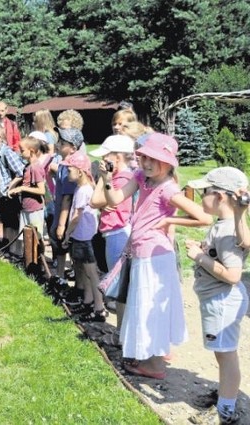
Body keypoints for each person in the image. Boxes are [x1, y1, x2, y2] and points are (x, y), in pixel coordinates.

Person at [101, 132, 211, 380]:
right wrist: (107, 179)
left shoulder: (167, 188)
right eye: (144, 157)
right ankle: (155, 354)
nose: (147, 163)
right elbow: (116, 198)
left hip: (154, 256)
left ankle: (154, 366)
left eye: (154, 159)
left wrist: (168, 219)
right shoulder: (142, 177)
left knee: (149, 307)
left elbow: (204, 218)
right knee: (146, 306)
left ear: (168, 163)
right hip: (142, 251)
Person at [184, 167, 250, 424]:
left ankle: (225, 410)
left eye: (204, 191)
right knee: (222, 353)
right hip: (217, 299)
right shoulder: (224, 226)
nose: (201, 196)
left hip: (222, 300)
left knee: (226, 355)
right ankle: (225, 395)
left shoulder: (227, 231)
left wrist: (200, 257)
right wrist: (204, 251)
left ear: (221, 197)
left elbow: (233, 275)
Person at [90, 135, 135, 334]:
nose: (102, 160)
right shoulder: (119, 177)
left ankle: (122, 336)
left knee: (120, 288)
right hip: (113, 234)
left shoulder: (122, 178)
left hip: (118, 234)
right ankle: (122, 334)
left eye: (106, 156)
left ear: (117, 157)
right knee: (120, 288)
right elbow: (98, 201)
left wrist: (102, 178)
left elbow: (94, 200)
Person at [59, 151, 105, 322]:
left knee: (92, 273)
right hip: (82, 236)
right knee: (86, 272)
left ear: (80, 171)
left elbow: (76, 217)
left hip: (85, 237)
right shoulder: (82, 188)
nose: (67, 172)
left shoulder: (83, 190)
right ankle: (88, 301)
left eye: (69, 169)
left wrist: (67, 233)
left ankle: (99, 307)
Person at [48, 128, 83, 295]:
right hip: (59, 210)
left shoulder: (71, 167)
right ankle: (60, 276)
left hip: (66, 215)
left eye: (63, 143)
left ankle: (78, 285)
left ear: (73, 148)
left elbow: (68, 198)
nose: (58, 145)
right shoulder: (62, 164)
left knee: (66, 245)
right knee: (59, 245)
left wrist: (61, 224)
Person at [0, 123, 24, 261]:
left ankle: (14, 250)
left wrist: (10, 187)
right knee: (5, 222)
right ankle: (7, 246)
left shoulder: (7, 152)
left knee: (12, 223)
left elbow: (20, 172)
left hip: (8, 195)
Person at [8, 135, 47, 256]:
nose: (20, 153)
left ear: (31, 151)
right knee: (27, 237)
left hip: (34, 209)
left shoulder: (35, 167)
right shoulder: (28, 166)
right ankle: (28, 260)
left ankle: (38, 262)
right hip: (26, 207)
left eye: (22, 150)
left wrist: (22, 188)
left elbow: (42, 190)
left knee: (36, 237)